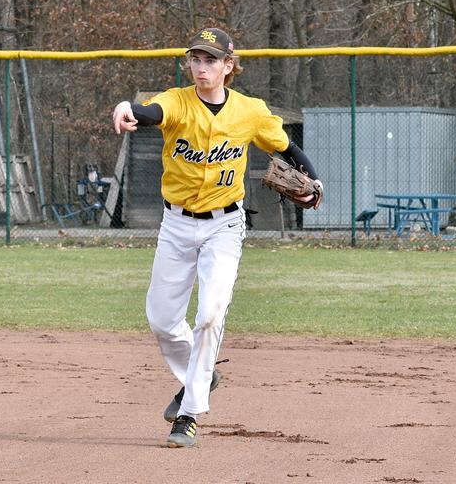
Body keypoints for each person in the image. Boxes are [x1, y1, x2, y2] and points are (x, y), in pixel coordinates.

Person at [111, 27, 323, 448]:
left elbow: (285, 148)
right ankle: (204, 376)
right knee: (163, 321)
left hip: (224, 226)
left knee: (210, 314)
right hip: (175, 225)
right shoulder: (176, 101)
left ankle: (188, 413)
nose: (201, 67)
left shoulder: (250, 111)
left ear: (229, 66)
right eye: (195, 59)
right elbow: (149, 112)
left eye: (211, 60)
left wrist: (315, 180)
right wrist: (126, 107)